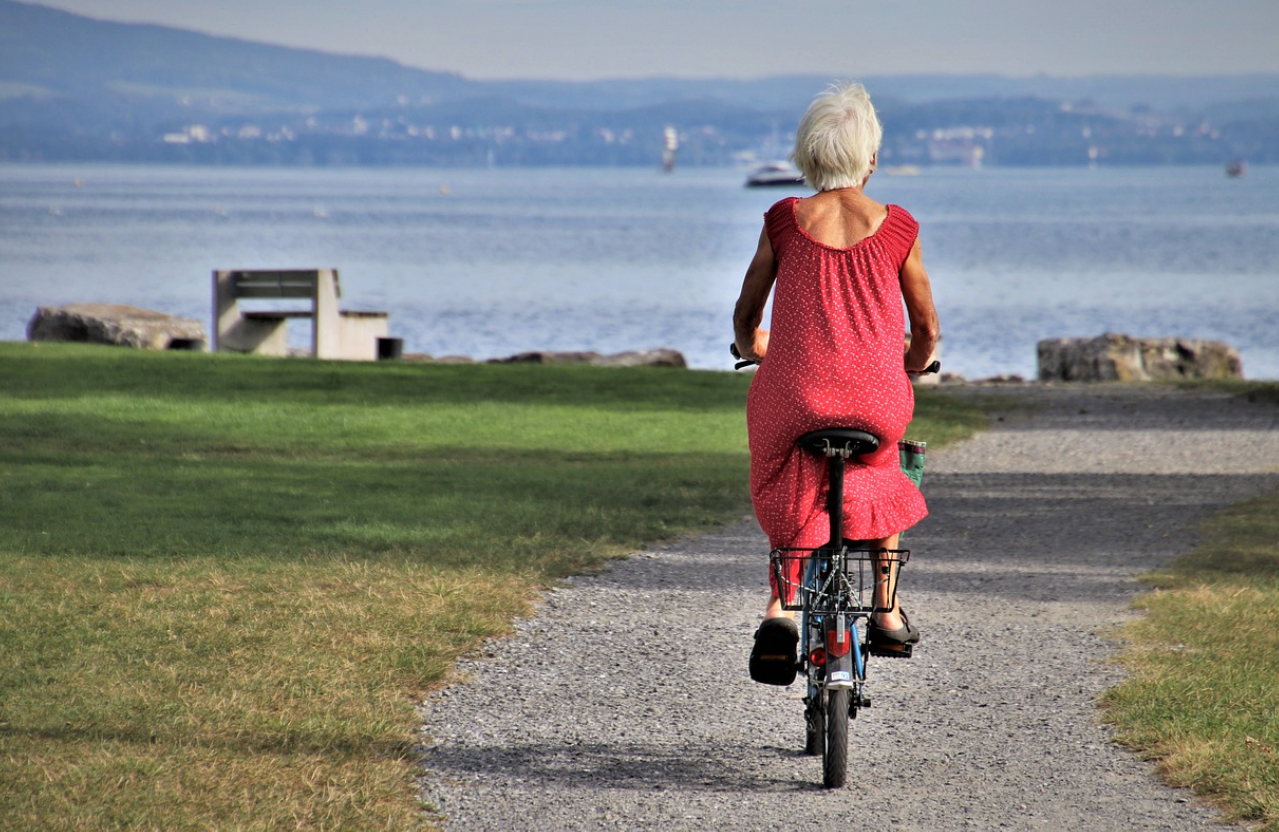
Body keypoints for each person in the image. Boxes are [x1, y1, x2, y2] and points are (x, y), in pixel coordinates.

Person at [732, 82, 940, 686]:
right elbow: (925, 326)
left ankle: (781, 609)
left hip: (794, 395)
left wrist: (755, 350)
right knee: (883, 469)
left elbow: (747, 317)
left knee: (786, 466)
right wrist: (915, 361)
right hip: (875, 398)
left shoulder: (784, 220)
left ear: (806, 156)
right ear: (870, 158)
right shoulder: (898, 226)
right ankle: (885, 606)